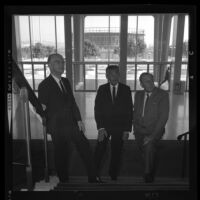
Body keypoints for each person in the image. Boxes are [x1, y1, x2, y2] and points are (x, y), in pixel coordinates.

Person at [38, 53, 99, 183]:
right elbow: (41, 109)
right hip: (58, 127)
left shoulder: (65, 81)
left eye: (62, 62)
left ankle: (93, 179)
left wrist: (79, 120)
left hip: (72, 124)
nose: (61, 64)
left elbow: (72, 102)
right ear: (49, 65)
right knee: (61, 155)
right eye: (57, 62)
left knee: (85, 148)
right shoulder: (44, 85)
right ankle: (64, 182)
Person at [94, 65, 133, 182]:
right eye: (111, 74)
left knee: (117, 152)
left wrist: (127, 129)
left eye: (116, 73)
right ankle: (94, 174)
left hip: (120, 127)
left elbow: (129, 110)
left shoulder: (126, 89)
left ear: (119, 75)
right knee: (99, 150)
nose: (114, 76)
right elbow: (98, 109)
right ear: (107, 76)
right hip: (104, 127)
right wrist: (100, 128)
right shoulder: (101, 89)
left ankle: (113, 174)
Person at [133, 72, 169, 183]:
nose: (151, 83)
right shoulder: (138, 94)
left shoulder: (162, 95)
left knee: (148, 147)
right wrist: (135, 128)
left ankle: (148, 174)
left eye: (151, 80)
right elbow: (135, 112)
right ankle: (151, 162)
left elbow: (163, 117)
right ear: (141, 84)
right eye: (147, 81)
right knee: (144, 151)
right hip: (139, 130)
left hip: (154, 130)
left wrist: (152, 136)